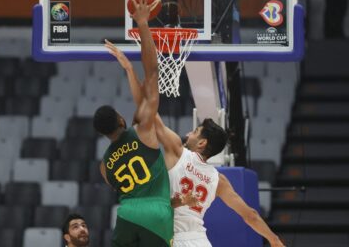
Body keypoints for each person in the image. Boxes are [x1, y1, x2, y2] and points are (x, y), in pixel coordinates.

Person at [104, 41, 285, 247]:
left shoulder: (177, 150)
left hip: (169, 236)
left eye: (195, 131)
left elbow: (146, 110)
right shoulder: (219, 180)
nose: (189, 132)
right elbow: (250, 215)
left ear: (202, 143)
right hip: (199, 240)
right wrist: (274, 239)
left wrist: (129, 69)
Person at [94, 0, 173, 247]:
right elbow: (152, 74)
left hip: (127, 213)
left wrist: (129, 70)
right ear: (120, 119)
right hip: (156, 212)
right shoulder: (142, 131)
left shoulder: (104, 166)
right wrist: (142, 23)